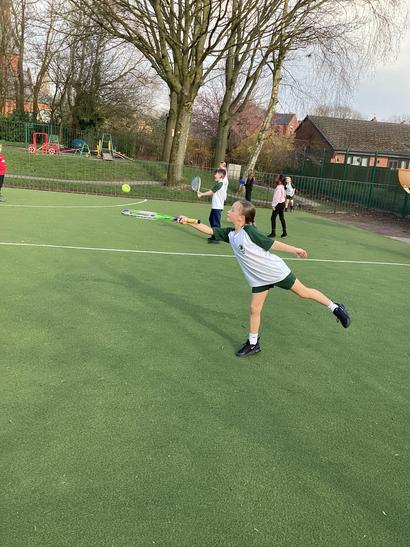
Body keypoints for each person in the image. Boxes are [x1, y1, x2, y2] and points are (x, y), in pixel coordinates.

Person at [177, 200, 351, 357]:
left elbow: (272, 244)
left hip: (274, 271)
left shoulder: (249, 231)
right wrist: (190, 222)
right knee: (254, 309)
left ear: (241, 217)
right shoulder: (231, 234)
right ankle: (253, 344)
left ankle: (335, 307)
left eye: (233, 210)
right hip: (258, 278)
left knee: (303, 292)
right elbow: (210, 230)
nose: (229, 211)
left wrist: (294, 249)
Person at [197, 168, 229, 244]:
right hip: (216, 206)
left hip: (217, 207)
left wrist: (201, 194)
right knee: (211, 220)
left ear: (220, 175)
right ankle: (214, 235)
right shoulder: (220, 183)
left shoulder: (220, 184)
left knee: (215, 223)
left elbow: (211, 192)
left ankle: (217, 238)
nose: (214, 175)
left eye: (216, 174)